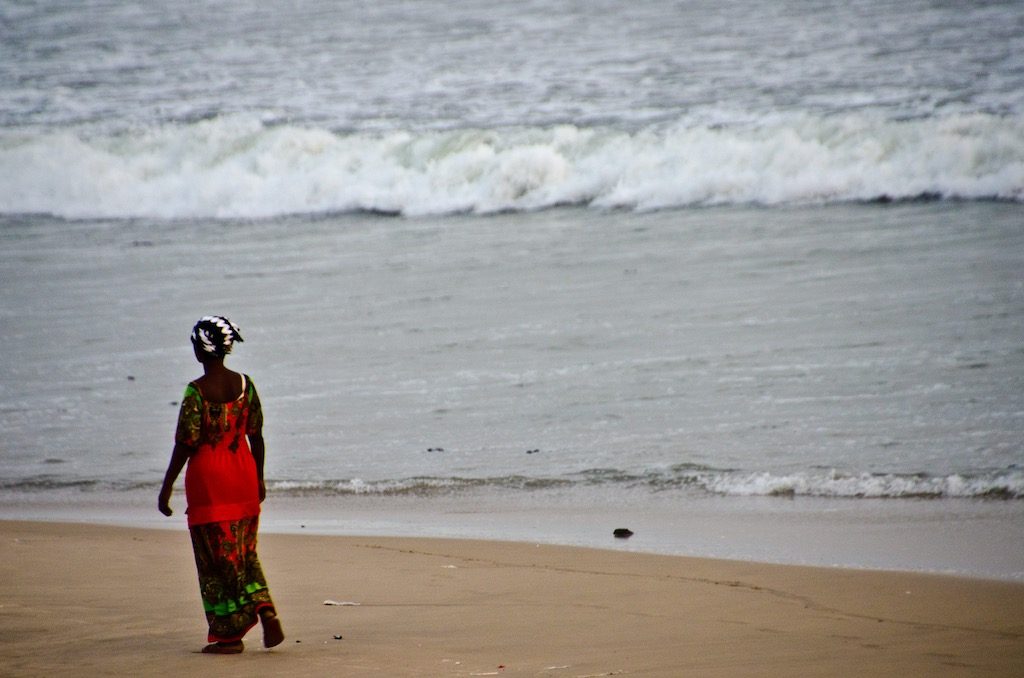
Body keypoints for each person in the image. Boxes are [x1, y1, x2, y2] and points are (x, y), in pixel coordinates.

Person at [158, 316, 285, 654]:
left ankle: (229, 636)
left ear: (200, 349)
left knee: (215, 561)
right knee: (245, 554)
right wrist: (258, 478)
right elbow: (256, 436)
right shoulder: (246, 384)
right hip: (242, 476)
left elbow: (186, 442)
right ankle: (264, 607)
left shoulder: (196, 391)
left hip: (210, 483)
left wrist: (167, 486)